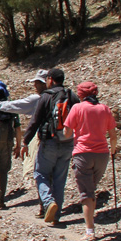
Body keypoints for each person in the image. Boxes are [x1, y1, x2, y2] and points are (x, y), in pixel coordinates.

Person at [62, 81, 118, 241]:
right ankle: (90, 226)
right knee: (91, 189)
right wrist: (113, 150)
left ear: (80, 94)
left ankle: (90, 232)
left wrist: (75, 135)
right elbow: (113, 135)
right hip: (102, 155)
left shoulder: (77, 108)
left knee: (87, 194)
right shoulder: (104, 109)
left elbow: (66, 133)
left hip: (83, 154)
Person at [21, 67, 78, 226]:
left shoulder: (46, 97)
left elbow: (35, 121)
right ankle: (56, 215)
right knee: (60, 179)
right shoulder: (71, 96)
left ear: (51, 79)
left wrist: (25, 142)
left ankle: (48, 202)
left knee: (40, 174)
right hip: (68, 142)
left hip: (49, 142)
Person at [0, 70, 49, 192]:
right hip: (61, 139)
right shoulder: (62, 97)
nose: (34, 85)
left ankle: (46, 201)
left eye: (37, 82)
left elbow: (17, 106)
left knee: (39, 170)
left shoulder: (38, 99)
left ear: (44, 83)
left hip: (40, 135)